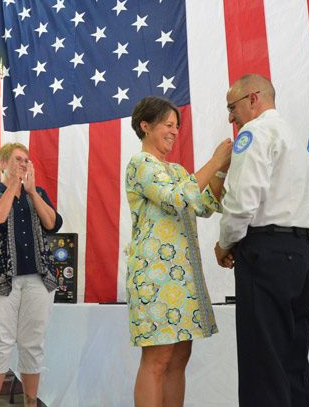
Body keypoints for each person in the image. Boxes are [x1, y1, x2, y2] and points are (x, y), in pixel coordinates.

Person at [214, 74, 309, 407]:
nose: (231, 117)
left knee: (263, 365)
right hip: (301, 254)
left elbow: (243, 202)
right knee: (293, 362)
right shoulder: (292, 138)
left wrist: (225, 243)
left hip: (266, 255)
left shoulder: (254, 133)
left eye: (232, 107)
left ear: (253, 98)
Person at [124, 96, 232, 407]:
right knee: (157, 358)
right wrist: (213, 161)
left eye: (176, 126)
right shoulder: (140, 164)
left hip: (182, 279)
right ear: (146, 126)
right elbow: (177, 198)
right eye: (168, 125)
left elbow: (207, 204)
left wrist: (222, 171)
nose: (174, 132)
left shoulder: (176, 169)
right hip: (155, 278)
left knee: (179, 356)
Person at [0, 142, 63, 407]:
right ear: (2, 164)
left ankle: (30, 401)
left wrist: (32, 192)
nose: (24, 164)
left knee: (32, 342)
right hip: (0, 280)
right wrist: (13, 186)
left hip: (37, 277)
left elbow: (53, 224)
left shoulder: (37, 193)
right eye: (17, 160)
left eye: (26, 160)